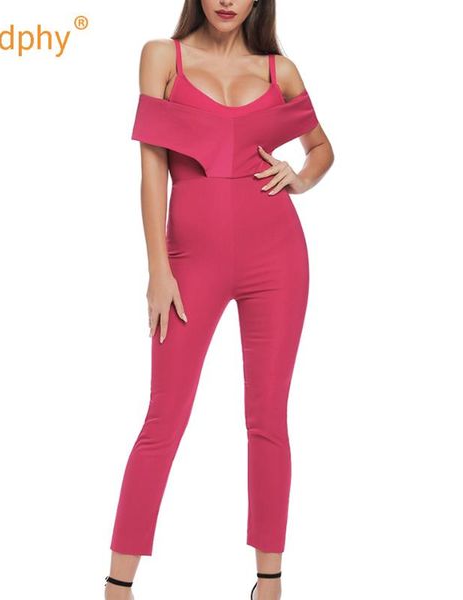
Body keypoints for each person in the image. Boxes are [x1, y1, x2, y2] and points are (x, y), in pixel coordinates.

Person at [105, 1, 334, 598]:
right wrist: (158, 269)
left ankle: (269, 585)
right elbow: (152, 168)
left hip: (277, 256)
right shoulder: (163, 57)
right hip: (189, 262)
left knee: (268, 418)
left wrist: (300, 177)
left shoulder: (278, 70)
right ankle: (117, 586)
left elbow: (321, 148)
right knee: (165, 417)